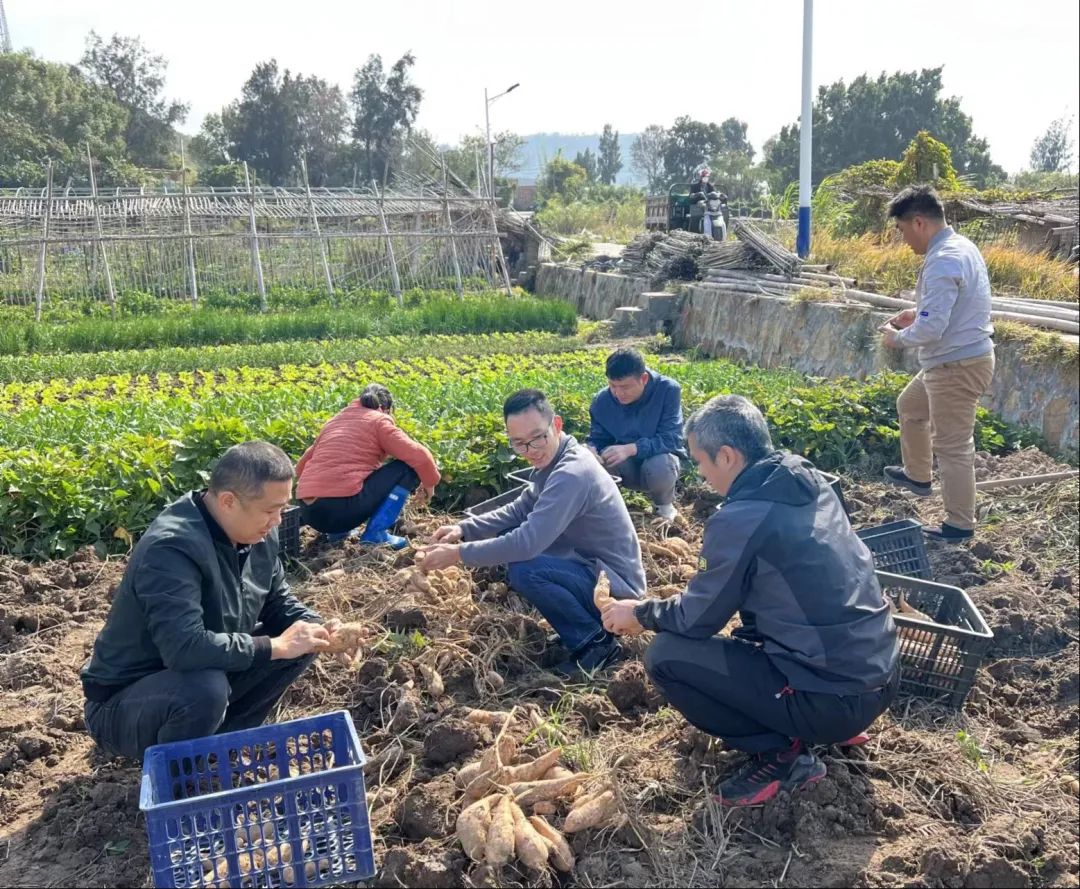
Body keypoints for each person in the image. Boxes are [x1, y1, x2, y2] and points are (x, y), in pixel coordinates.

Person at [601, 396, 899, 808]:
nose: (701, 475)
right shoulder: (807, 478)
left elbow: (696, 619)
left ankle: (782, 754)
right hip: (880, 675)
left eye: (701, 463)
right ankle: (825, 721)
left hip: (833, 700)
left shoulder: (743, 517)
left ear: (727, 455)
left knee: (666, 655)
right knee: (749, 630)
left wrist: (640, 613)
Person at [80, 442, 353, 761]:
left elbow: (278, 602)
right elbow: (183, 648)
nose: (278, 520)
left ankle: (221, 748)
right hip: (125, 704)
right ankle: (179, 780)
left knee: (301, 640)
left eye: (282, 508)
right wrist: (275, 646)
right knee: (205, 690)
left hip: (197, 673)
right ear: (228, 502)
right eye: (270, 510)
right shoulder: (171, 550)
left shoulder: (257, 534)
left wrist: (320, 630)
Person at [418, 389, 646, 676]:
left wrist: (459, 554)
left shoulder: (572, 473)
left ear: (557, 425)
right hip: (590, 568)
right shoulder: (553, 463)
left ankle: (597, 643)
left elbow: (527, 543)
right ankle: (583, 628)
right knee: (524, 554)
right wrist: (463, 528)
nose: (531, 450)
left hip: (616, 587)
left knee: (527, 568)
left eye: (538, 438)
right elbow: (518, 509)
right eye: (520, 444)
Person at [880, 185, 995, 541]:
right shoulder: (960, 247)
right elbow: (949, 307)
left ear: (918, 222)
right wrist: (916, 313)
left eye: (901, 230)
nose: (904, 240)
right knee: (911, 406)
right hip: (952, 361)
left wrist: (896, 338)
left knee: (953, 447)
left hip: (955, 367)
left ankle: (959, 525)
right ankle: (918, 475)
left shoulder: (943, 259)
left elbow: (932, 328)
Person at [296, 383, 441, 549]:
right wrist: (430, 484)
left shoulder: (334, 422)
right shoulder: (379, 421)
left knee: (347, 479)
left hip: (309, 512)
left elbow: (301, 468)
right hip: (340, 512)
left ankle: (338, 534)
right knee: (406, 467)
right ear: (387, 409)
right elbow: (420, 456)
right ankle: (375, 534)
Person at [586, 348, 686, 521]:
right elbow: (598, 439)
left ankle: (664, 508)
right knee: (601, 460)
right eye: (612, 386)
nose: (618, 393)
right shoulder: (602, 401)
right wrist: (591, 450)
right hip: (627, 469)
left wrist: (632, 448)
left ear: (644, 379)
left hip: (661, 467)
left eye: (625, 387)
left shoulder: (667, 390)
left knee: (659, 464)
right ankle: (610, 511)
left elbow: (672, 439)